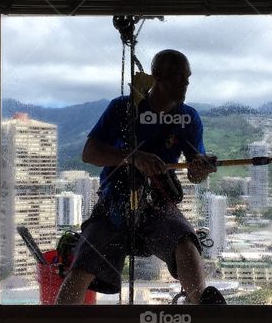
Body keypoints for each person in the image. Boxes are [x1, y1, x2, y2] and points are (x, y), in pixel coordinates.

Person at [55, 49, 227, 304]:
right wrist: (133, 156)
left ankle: (200, 307)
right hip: (115, 201)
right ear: (156, 75)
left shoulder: (189, 118)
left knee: (187, 247)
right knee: (83, 266)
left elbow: (194, 171)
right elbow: (89, 153)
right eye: (177, 76)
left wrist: (200, 168)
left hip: (157, 202)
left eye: (187, 77)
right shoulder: (122, 109)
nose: (185, 82)